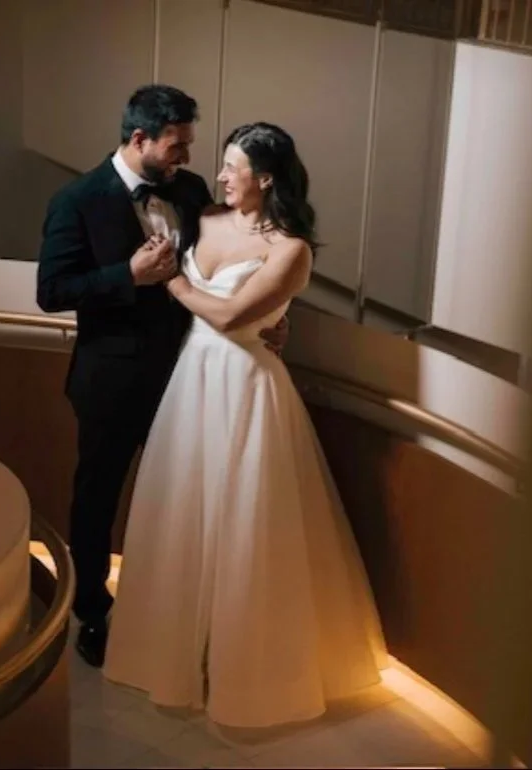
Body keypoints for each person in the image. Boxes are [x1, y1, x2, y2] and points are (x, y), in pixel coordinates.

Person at [103, 123, 388, 729]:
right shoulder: (203, 215)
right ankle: (175, 661)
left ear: (265, 177)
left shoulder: (291, 249)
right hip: (192, 382)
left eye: (234, 167)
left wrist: (173, 281)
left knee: (245, 528)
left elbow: (232, 316)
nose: (222, 175)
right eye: (224, 165)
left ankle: (246, 680)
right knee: (184, 516)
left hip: (245, 390)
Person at [35, 86, 288, 669]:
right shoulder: (75, 200)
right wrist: (127, 274)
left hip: (191, 377)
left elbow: (234, 258)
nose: (187, 156)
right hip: (111, 383)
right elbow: (52, 292)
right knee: (98, 501)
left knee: (186, 499)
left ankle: (177, 615)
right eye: (177, 145)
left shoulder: (191, 191)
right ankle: (93, 615)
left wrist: (273, 314)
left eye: (189, 144)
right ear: (139, 138)